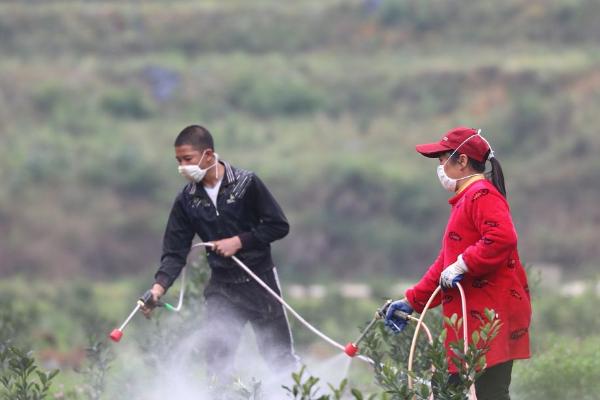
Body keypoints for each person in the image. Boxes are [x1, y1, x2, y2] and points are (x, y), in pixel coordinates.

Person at [142, 125, 298, 382]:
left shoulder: (247, 184)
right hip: (223, 290)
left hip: (261, 283)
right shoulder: (186, 201)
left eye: (187, 159)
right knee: (216, 361)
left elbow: (278, 225)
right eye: (178, 161)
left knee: (279, 359)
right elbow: (174, 251)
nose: (182, 167)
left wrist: (239, 241)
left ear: (209, 155)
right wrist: (158, 289)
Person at [384, 126, 531, 400]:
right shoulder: (465, 199)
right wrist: (412, 301)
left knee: (478, 392)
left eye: (442, 159)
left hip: (489, 318)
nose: (439, 167)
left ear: (462, 161)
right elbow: (446, 262)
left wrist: (464, 264)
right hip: (474, 319)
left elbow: (502, 237)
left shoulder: (482, 195)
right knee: (463, 391)